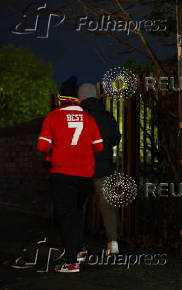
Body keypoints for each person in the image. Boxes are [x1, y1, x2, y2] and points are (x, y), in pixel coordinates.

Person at [37, 77, 103, 273]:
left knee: (64, 216)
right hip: (85, 175)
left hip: (62, 173)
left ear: (60, 98)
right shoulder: (90, 119)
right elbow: (98, 147)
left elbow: (42, 146)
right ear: (77, 100)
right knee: (76, 213)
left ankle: (72, 261)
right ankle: (78, 250)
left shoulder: (53, 117)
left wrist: (54, 151)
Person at [79, 83, 121, 256]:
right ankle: (113, 244)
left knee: (78, 207)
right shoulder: (107, 116)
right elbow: (116, 139)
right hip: (104, 168)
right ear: (95, 96)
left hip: (81, 169)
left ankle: (78, 246)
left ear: (80, 97)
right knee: (108, 207)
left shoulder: (79, 116)